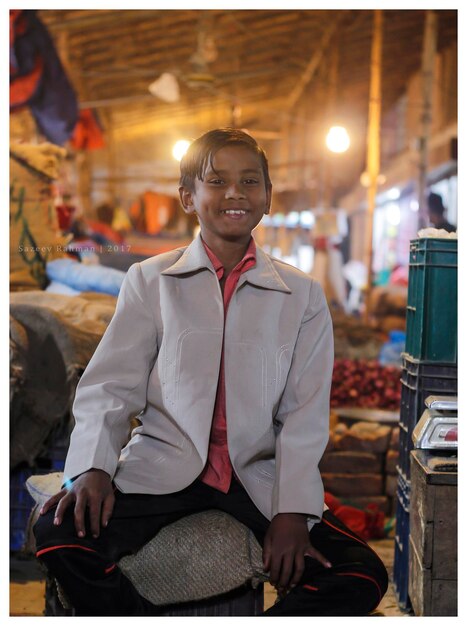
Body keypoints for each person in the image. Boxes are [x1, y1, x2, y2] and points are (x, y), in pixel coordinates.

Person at [34, 128, 388, 616]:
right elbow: (111, 385)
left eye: (249, 181)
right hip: (162, 468)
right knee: (56, 536)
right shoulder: (150, 280)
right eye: (216, 181)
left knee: (360, 574)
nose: (235, 193)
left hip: (255, 479)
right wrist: (93, 467)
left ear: (267, 198)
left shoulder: (301, 295)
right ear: (188, 197)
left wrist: (290, 511)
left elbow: (304, 415)